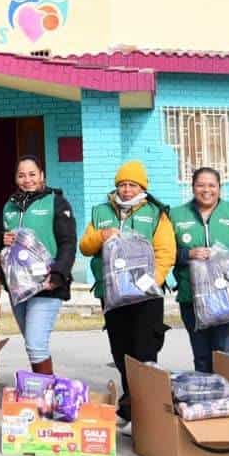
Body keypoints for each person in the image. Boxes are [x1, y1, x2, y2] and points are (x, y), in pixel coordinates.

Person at [78, 160, 175, 431]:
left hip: (145, 296)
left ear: (142, 187)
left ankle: (146, 412)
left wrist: (150, 284)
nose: (127, 190)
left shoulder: (157, 213)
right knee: (121, 351)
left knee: (145, 352)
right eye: (123, 184)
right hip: (113, 295)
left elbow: (166, 252)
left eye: (133, 185)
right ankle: (130, 406)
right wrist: (102, 235)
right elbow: (85, 246)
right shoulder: (101, 211)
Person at [168, 167, 229, 374]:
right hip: (191, 298)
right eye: (200, 185)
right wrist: (187, 254)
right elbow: (165, 253)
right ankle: (207, 403)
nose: (206, 190)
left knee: (227, 353)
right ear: (192, 187)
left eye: (212, 185)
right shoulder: (175, 215)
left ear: (220, 188)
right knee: (201, 356)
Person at [0, 154, 78, 375]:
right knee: (33, 344)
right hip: (18, 288)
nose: (27, 179)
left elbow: (68, 243)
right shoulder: (9, 206)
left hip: (47, 284)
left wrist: (58, 275)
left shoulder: (56, 202)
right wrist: (1, 239)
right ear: (16, 178)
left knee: (35, 344)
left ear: (42, 175)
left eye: (32, 174)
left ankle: (45, 397)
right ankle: (44, 389)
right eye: (21, 175)